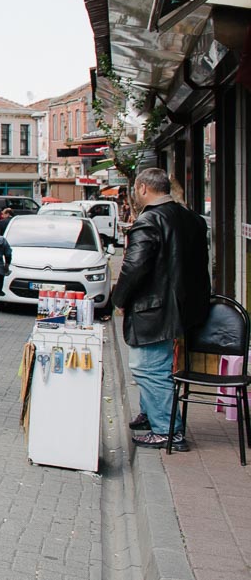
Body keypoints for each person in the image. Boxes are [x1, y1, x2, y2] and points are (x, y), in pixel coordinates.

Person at [112, 168, 212, 451]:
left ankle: (168, 431)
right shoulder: (191, 218)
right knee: (156, 367)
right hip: (184, 306)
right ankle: (150, 414)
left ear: (143, 188)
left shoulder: (149, 221)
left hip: (155, 308)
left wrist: (119, 299)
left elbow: (133, 268)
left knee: (148, 368)